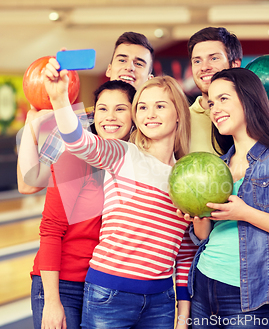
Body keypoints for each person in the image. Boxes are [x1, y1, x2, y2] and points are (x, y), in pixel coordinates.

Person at [43, 57, 196, 329]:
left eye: (160, 106)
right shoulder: (123, 154)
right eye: (143, 107)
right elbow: (79, 142)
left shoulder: (186, 178)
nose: (150, 114)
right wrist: (59, 99)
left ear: (179, 113)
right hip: (109, 294)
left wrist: (182, 318)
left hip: (161, 301)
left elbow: (184, 254)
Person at [180, 68, 269, 328]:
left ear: (248, 99)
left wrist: (245, 213)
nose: (215, 109)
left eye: (223, 99)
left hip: (252, 295)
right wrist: (197, 216)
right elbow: (204, 237)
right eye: (211, 102)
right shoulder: (218, 166)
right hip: (203, 285)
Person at [26, 80, 137, 329]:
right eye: (102, 109)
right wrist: (53, 302)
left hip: (103, 285)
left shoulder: (135, 162)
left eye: (120, 109)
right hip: (64, 285)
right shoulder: (75, 158)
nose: (110, 117)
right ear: (93, 114)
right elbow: (51, 229)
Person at [17, 31, 154, 193]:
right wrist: (31, 123)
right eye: (122, 60)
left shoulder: (155, 128)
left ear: (149, 79)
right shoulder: (74, 125)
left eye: (139, 63)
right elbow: (28, 185)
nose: (129, 67)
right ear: (109, 70)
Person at [187, 27, 269, 156]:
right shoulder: (183, 119)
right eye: (197, 61)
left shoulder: (265, 117)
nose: (204, 67)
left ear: (235, 64)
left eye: (214, 58)